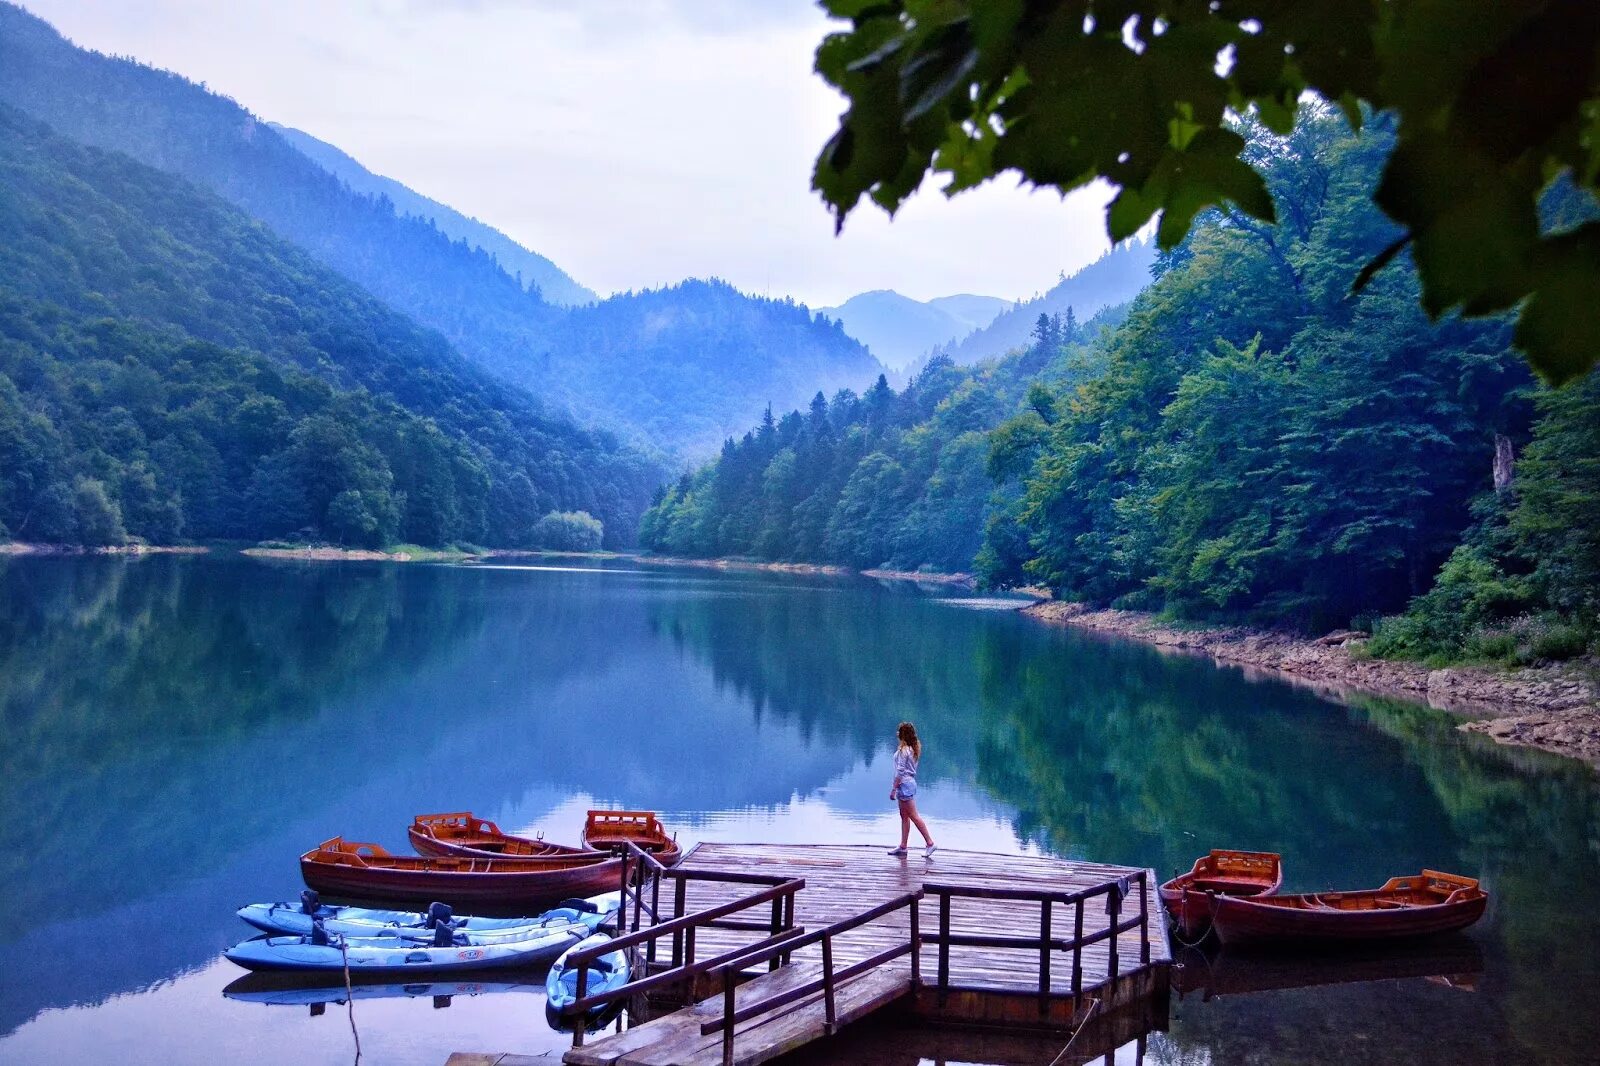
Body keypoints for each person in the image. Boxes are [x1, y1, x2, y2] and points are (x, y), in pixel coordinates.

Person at [887, 721, 937, 857]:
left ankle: (930, 843)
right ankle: (903, 846)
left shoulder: (904, 751)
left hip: (904, 785)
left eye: (899, 731)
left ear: (903, 734)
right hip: (907, 784)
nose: (897, 733)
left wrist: (893, 789)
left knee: (913, 816)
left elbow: (900, 771)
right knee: (904, 816)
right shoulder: (912, 748)